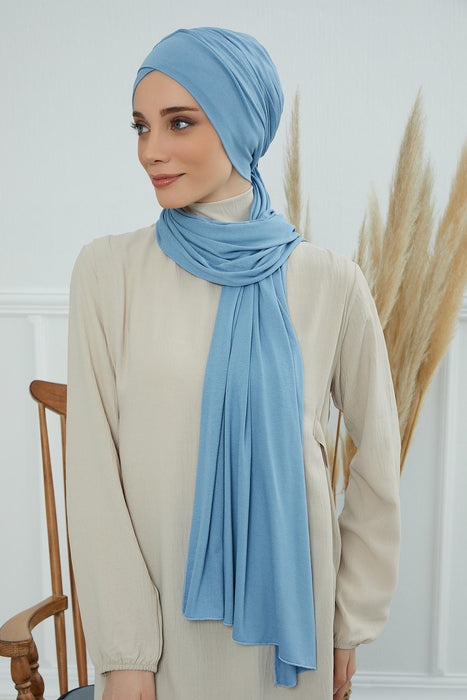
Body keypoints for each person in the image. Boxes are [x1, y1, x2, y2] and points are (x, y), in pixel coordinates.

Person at [65, 27, 401, 700]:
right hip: (159, 637)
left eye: (179, 122)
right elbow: (95, 473)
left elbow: (378, 463)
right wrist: (127, 652)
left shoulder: (329, 279)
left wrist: (348, 622)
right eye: (140, 126)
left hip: (291, 632)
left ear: (242, 124)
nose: (151, 150)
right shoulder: (108, 271)